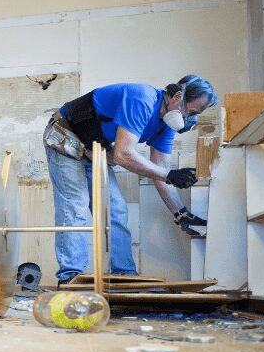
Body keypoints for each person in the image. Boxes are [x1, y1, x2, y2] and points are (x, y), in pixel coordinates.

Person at [43, 74, 217, 284]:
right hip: (65, 137)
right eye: (191, 111)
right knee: (75, 206)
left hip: (93, 149)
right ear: (178, 96)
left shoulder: (166, 127)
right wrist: (169, 175)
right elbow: (123, 155)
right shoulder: (142, 99)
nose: (190, 119)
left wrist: (181, 214)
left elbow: (159, 173)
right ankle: (70, 275)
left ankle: (123, 274)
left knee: (116, 209)